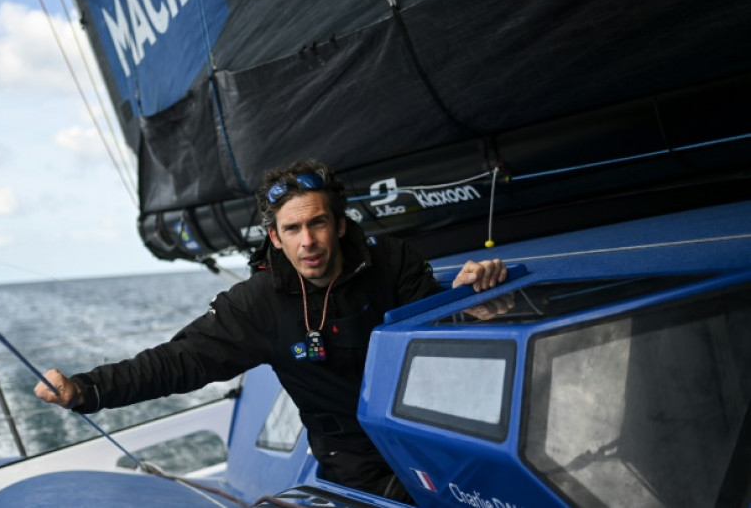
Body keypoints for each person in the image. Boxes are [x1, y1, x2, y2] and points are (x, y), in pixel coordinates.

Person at [35, 160, 507, 503]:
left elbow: (437, 338)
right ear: (275, 238)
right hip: (354, 463)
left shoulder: (392, 261)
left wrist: (467, 302)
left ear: (340, 224)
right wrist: (86, 389)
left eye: (318, 222)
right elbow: (179, 362)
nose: (309, 242)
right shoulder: (257, 304)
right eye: (294, 229)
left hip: (426, 438)